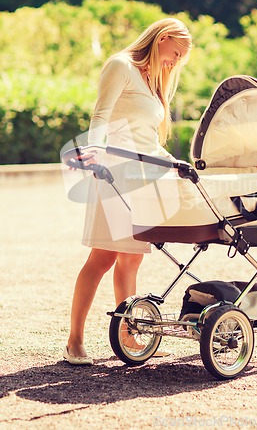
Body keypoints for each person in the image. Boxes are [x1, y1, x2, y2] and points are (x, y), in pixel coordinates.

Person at [63, 18, 192, 365]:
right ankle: (74, 341)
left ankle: (129, 336)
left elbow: (148, 139)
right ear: (162, 37)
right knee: (102, 258)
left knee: (132, 259)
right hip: (115, 175)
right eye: (175, 53)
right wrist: (91, 153)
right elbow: (101, 115)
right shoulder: (121, 65)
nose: (174, 62)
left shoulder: (152, 81)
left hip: (145, 178)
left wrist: (176, 163)